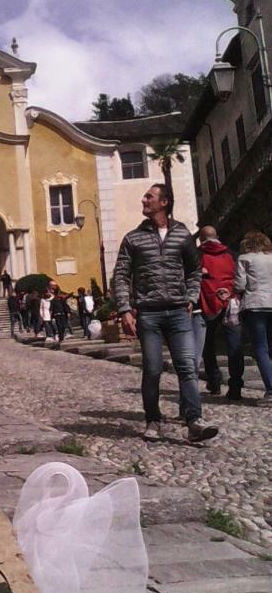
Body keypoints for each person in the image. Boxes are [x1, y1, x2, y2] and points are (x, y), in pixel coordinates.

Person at [112, 183, 218, 443]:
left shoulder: (182, 235)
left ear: (164, 202)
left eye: (149, 196)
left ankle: (194, 421)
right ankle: (153, 419)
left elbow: (195, 270)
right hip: (148, 314)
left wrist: (191, 297)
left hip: (179, 312)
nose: (144, 200)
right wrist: (125, 309)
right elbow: (121, 276)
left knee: (187, 367)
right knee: (152, 369)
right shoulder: (133, 238)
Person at [193, 226, 244, 400]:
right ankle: (235, 386)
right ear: (217, 237)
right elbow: (239, 277)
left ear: (201, 238)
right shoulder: (231, 254)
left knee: (208, 344)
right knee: (234, 345)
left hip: (207, 302)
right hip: (231, 303)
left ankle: (214, 382)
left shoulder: (197, 255)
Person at [234, 230, 272, 404]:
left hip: (255, 305)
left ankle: (271, 390)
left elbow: (240, 285)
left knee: (260, 348)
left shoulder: (244, 259)